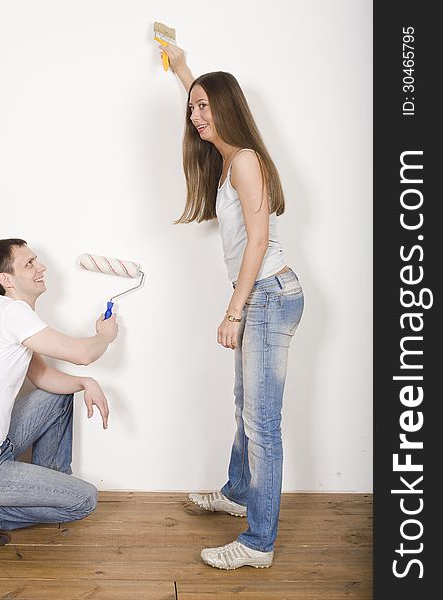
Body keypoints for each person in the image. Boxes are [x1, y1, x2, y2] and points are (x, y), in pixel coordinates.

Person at [159, 45, 304, 570]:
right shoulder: (227, 154)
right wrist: (182, 71)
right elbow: (205, 100)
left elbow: (259, 241)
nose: (197, 116)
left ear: (229, 108)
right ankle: (238, 490)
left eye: (205, 107)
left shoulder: (244, 162)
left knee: (263, 424)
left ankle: (258, 544)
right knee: (247, 406)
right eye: (192, 107)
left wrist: (233, 311)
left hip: (267, 296)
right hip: (260, 297)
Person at [0, 238, 118, 548]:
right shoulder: (12, 314)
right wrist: (104, 336)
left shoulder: (8, 315)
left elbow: (43, 376)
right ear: (6, 280)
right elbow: (82, 354)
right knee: (84, 500)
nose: (41, 267)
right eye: (30, 263)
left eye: (37, 261)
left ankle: (50, 480)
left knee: (58, 396)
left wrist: (85, 382)